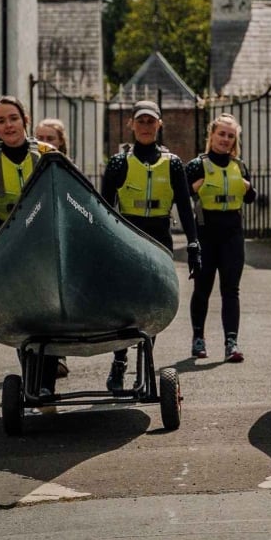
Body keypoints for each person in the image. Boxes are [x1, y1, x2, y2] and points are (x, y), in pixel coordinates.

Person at [99, 99, 201, 391]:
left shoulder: (173, 164)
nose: (145, 126)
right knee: (125, 303)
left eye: (151, 121)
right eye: (140, 121)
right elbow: (103, 208)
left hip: (159, 238)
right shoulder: (119, 163)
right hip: (127, 237)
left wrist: (193, 244)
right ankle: (119, 361)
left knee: (154, 302)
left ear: (159, 124)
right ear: (131, 124)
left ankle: (145, 364)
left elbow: (185, 207)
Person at [0, 95, 67, 390]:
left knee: (49, 313)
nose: (8, 125)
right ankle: (32, 380)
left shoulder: (49, 155)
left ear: (25, 120)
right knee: (23, 315)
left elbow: (67, 196)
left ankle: (46, 385)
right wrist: (5, 245)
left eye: (13, 118)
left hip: (46, 247)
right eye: (1, 121)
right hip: (9, 249)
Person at [184, 114, 258, 363]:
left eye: (230, 136)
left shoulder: (239, 166)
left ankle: (231, 343)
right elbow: (179, 196)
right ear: (212, 135)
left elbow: (250, 198)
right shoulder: (197, 165)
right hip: (206, 234)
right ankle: (198, 339)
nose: (225, 139)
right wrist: (192, 188)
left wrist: (249, 188)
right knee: (202, 289)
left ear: (235, 140)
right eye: (221, 134)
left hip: (232, 236)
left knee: (231, 290)